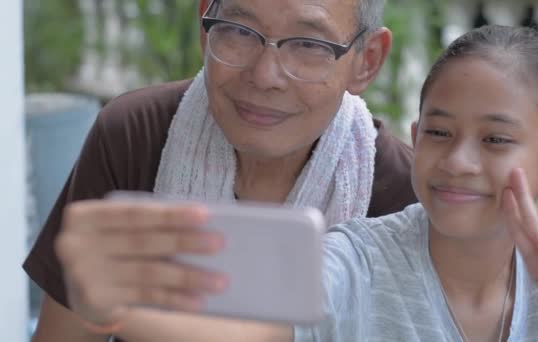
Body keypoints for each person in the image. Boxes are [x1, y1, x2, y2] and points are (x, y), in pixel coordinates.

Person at [54, 24, 538, 341]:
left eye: (495, 140)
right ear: (417, 139)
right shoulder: (354, 260)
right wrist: (113, 309)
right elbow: (249, 333)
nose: (459, 160)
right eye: (439, 132)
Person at [24, 0, 418, 341]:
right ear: (204, 26)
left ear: (367, 61)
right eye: (239, 30)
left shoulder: (404, 196)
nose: (264, 76)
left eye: (309, 44)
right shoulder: (134, 135)